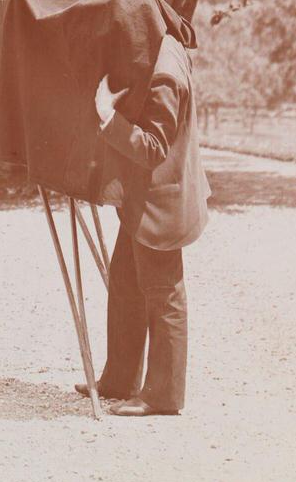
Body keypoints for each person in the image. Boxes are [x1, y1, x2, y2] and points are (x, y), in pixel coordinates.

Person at [78, 34, 209, 418]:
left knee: (163, 292)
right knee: (125, 282)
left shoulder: (166, 72)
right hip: (147, 200)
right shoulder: (163, 48)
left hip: (162, 203)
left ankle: (163, 396)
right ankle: (119, 380)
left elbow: (153, 147)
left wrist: (107, 116)